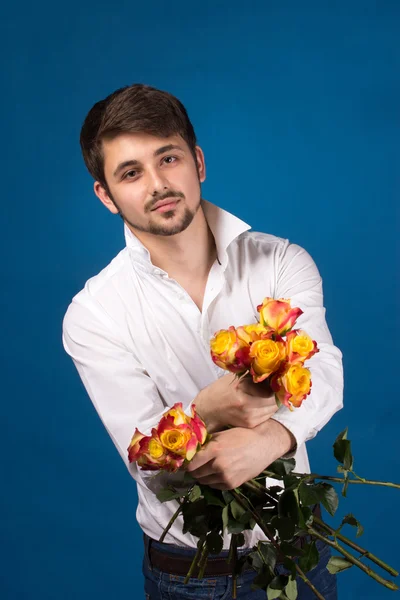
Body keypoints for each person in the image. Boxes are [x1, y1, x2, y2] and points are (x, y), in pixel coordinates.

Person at [62, 83, 343, 599]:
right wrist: (205, 411)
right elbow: (148, 461)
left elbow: (324, 375)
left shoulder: (280, 261)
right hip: (187, 573)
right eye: (130, 172)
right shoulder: (93, 314)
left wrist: (270, 440)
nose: (157, 184)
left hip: (297, 556)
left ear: (197, 161)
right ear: (106, 195)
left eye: (168, 158)